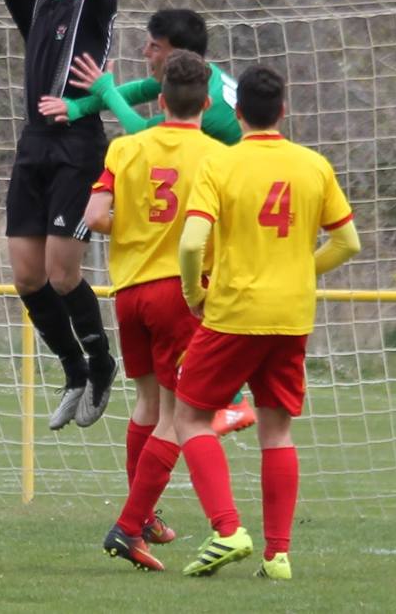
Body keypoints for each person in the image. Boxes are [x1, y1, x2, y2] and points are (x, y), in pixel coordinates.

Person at [172, 65, 360, 578]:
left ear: (237, 113)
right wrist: (299, 271)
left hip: (234, 312)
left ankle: (227, 529)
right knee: (277, 432)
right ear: (283, 110)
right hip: (291, 316)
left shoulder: (220, 163)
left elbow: (190, 244)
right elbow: (348, 242)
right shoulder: (314, 165)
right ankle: (278, 556)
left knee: (190, 418)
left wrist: (194, 295)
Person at [41, 8, 258, 436]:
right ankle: (226, 401)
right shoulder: (197, 80)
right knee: (170, 381)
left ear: (175, 55)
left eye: (154, 46)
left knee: (200, 321)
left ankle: (232, 400)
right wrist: (79, 104)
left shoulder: (209, 111)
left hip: (237, 211)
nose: (145, 52)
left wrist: (104, 88)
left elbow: (142, 132)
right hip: (218, 205)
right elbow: (138, 91)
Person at [0, 0, 118, 430]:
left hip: (78, 149)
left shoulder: (98, 7)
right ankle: (73, 370)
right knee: (27, 275)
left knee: (64, 274)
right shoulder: (38, 7)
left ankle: (101, 363)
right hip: (33, 147)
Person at [86, 50, 225, 571]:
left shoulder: (126, 147)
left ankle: (142, 519)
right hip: (179, 294)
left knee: (146, 405)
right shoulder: (217, 156)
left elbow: (95, 216)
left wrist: (135, 227)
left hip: (129, 292)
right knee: (178, 416)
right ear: (206, 104)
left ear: (160, 100)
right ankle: (127, 527)